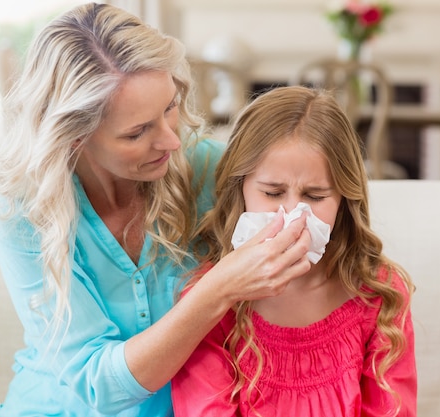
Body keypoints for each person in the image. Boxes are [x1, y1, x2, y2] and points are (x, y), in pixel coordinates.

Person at [0, 3, 313, 416]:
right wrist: (219, 288)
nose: (171, 141)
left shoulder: (207, 168)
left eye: (169, 107)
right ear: (74, 137)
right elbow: (95, 387)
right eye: (137, 132)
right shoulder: (23, 208)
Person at [171, 86, 417, 416]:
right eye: (273, 193)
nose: (293, 217)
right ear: (240, 187)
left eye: (315, 197)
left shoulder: (379, 295)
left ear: (344, 199)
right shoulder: (210, 300)